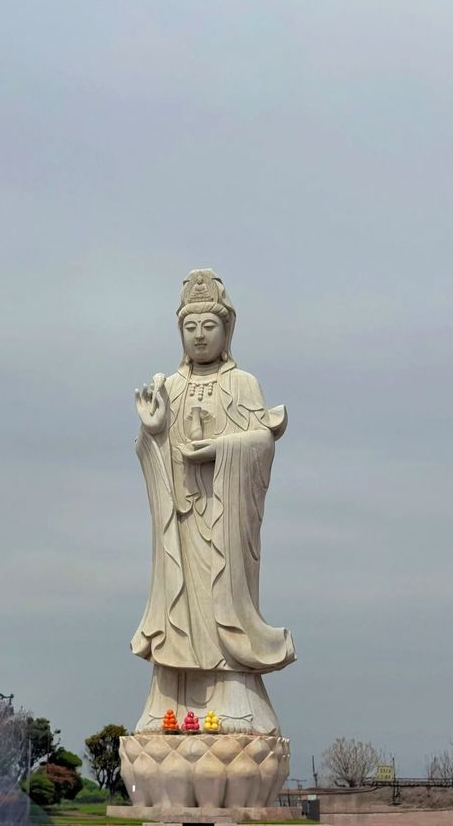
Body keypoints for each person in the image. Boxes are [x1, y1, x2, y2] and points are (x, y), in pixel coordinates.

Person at [132, 270, 296, 734]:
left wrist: (221, 450)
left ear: (227, 331)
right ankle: (172, 695)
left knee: (223, 589)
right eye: (190, 327)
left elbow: (262, 441)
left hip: (223, 517)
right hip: (181, 522)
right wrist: (155, 430)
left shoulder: (243, 384)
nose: (199, 336)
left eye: (209, 326)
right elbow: (152, 456)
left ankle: (233, 695)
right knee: (178, 595)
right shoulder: (172, 387)